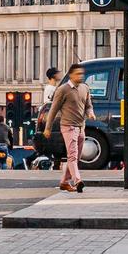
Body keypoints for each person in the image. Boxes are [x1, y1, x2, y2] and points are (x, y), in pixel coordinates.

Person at [38, 63, 91, 193]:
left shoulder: (85, 88)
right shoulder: (63, 89)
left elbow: (88, 105)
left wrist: (90, 112)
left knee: (76, 157)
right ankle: (77, 180)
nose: (81, 76)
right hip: (68, 126)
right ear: (71, 75)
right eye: (78, 74)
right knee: (72, 155)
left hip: (81, 126)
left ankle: (64, 182)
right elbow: (53, 110)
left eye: (82, 74)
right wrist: (48, 128)